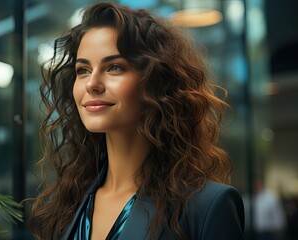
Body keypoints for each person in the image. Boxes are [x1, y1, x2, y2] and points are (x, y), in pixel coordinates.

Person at [30, 2, 244, 239]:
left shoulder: (206, 206)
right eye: (83, 70)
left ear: (156, 82)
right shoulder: (65, 205)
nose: (92, 84)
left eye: (114, 67)